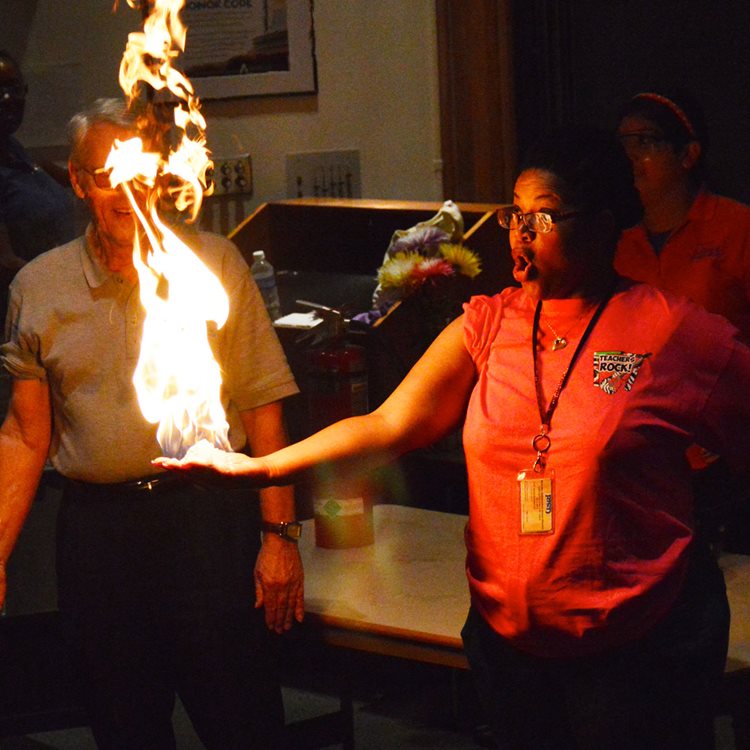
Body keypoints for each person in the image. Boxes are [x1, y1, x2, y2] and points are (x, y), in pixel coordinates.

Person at [156, 126, 750, 750]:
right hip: (510, 654)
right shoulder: (491, 323)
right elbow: (385, 425)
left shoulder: (672, 331)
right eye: (514, 216)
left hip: (630, 660)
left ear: (603, 225)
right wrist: (258, 469)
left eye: (544, 219)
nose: (521, 237)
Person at [0, 97, 303, 750]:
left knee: (243, 719)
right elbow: (27, 434)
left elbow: (262, 403)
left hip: (203, 521)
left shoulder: (212, 266)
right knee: (124, 725)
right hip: (97, 535)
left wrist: (279, 535)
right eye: (107, 174)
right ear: (79, 184)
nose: (126, 192)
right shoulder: (38, 288)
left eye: (137, 171)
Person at [615, 90, 750, 553]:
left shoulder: (735, 227)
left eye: (645, 142)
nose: (630, 157)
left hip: (725, 458)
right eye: (623, 144)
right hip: (637, 457)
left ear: (688, 154)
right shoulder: (611, 240)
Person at [0, 50, 76, 331]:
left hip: (53, 312)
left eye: (13, 88)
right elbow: (6, 264)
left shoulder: (16, 152)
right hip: (21, 322)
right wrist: (74, 279)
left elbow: (70, 176)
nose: (7, 99)